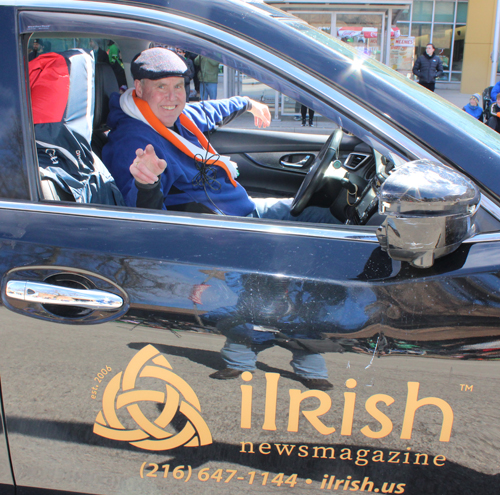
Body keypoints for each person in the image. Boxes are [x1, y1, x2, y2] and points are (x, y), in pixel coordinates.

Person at [102, 47, 340, 224]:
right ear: (140, 88)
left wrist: (248, 103)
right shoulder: (131, 142)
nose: (173, 97)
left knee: (325, 212)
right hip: (227, 230)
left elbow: (211, 110)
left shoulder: (177, 115)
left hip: (240, 209)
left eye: (178, 86)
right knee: (327, 222)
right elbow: (142, 220)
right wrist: (147, 185)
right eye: (161, 87)